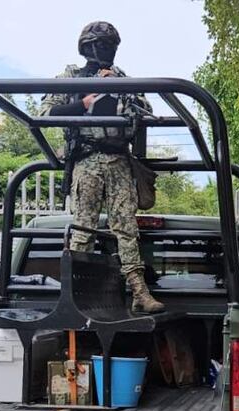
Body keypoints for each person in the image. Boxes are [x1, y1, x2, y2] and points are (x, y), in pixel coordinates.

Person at [41, 20, 163, 314]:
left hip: (119, 159)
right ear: (88, 47)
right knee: (84, 230)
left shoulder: (122, 77)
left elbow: (147, 110)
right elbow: (46, 113)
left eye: (111, 45)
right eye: (102, 45)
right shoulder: (71, 76)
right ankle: (75, 296)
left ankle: (139, 291)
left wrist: (122, 91)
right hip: (87, 159)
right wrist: (84, 102)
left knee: (126, 227)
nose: (107, 50)